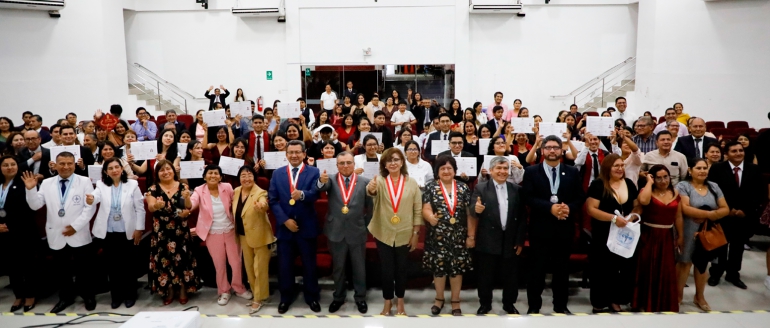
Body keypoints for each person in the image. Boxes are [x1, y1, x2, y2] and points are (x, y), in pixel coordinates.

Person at [23, 152, 97, 313]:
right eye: (62, 163)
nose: (66, 166)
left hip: (79, 233)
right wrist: (30, 190)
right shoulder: (47, 183)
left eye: (69, 163)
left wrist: (75, 227)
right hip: (56, 233)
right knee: (62, 270)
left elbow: (89, 207)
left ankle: (88, 296)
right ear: (55, 165)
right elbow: (36, 205)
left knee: (84, 269)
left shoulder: (84, 181)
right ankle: (66, 298)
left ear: (74, 164)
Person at [523, 135, 585, 314]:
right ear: (542, 151)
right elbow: (527, 197)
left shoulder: (572, 171)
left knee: (561, 271)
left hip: (563, 229)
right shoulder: (532, 171)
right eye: (548, 147)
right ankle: (534, 307)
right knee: (537, 271)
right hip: (540, 229)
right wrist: (550, 208)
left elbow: (580, 197)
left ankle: (561, 306)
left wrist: (568, 208)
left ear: (561, 150)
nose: (552, 151)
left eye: (555, 147)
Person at [366, 147, 422, 316]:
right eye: (389, 160)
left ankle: (401, 302)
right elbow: (372, 192)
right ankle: (387, 302)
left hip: (405, 233)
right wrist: (371, 187)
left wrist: (415, 234)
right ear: (384, 164)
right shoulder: (380, 181)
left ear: (402, 162)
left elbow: (417, 210)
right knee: (387, 270)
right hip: (384, 232)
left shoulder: (411, 182)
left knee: (401, 270)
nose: (393, 163)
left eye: (396, 159)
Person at [84, 158, 145, 309]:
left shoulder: (133, 185)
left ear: (122, 169)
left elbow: (140, 209)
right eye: (110, 168)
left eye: (117, 167)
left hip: (128, 231)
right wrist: (91, 200)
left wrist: (139, 228)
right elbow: (95, 197)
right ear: (105, 171)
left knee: (128, 265)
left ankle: (130, 295)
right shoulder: (101, 185)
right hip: (109, 231)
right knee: (112, 266)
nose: (114, 170)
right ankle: (116, 297)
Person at [268, 140, 322, 313]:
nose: (294, 155)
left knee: (309, 265)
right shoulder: (277, 174)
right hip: (285, 228)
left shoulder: (314, 171)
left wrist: (303, 195)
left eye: (298, 152)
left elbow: (315, 194)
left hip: (307, 226)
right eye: (290, 152)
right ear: (286, 154)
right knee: (284, 266)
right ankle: (286, 297)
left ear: (304, 153)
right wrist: (285, 220)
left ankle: (312, 296)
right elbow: (273, 200)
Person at [707, 141, 767, 289]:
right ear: (726, 154)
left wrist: (745, 210)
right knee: (720, 246)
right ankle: (716, 273)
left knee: (737, 247)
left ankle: (733, 274)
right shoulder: (717, 168)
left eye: (740, 150)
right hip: (723, 214)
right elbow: (713, 190)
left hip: (744, 216)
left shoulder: (754, 169)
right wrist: (729, 209)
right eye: (734, 151)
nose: (738, 153)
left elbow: (759, 193)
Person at [316, 151, 372, 314]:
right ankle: (338, 297)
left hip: (357, 230)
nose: (345, 166)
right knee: (338, 267)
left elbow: (371, 207)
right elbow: (320, 187)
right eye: (342, 163)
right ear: (337, 165)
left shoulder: (364, 182)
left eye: (349, 163)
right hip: (336, 230)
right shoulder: (331, 180)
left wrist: (366, 225)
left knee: (359, 267)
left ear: (354, 165)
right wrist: (321, 181)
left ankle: (360, 297)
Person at [188, 165, 252, 305]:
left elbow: (237, 203)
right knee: (219, 264)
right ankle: (224, 290)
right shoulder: (199, 190)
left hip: (230, 230)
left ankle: (239, 288)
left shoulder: (227, 187)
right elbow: (192, 204)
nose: (213, 176)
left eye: (216, 173)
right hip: (212, 232)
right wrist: (186, 200)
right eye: (210, 173)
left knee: (236, 262)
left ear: (221, 176)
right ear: (204, 176)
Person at [470, 156, 526, 314]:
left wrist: (520, 240)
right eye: (499, 168)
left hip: (510, 240)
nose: (502, 172)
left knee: (511, 276)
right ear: (491, 170)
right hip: (487, 239)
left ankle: (509, 304)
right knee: (485, 276)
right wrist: (476, 209)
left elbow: (522, 217)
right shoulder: (481, 188)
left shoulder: (516, 190)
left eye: (505, 169)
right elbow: (472, 208)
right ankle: (485, 304)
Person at [421, 155, 473, 315]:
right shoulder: (431, 187)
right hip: (437, 236)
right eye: (442, 168)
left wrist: (471, 236)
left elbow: (470, 214)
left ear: (455, 170)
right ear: (437, 171)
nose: (446, 171)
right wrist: (430, 217)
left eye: (449, 168)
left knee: (456, 269)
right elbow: (426, 207)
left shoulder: (463, 188)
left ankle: (456, 301)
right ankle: (439, 299)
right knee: (439, 269)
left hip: (459, 236)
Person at [675, 158, 730, 311]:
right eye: (698, 168)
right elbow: (685, 208)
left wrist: (707, 216)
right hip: (688, 229)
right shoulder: (683, 186)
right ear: (690, 170)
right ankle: (677, 296)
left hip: (708, 231)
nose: (702, 171)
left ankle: (699, 296)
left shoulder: (714, 186)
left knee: (702, 265)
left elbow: (725, 208)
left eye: (704, 168)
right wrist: (712, 213)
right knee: (684, 263)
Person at [145, 159, 200, 305]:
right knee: (164, 259)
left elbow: (188, 207)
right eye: (162, 170)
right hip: (161, 230)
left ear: (173, 171)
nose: (166, 172)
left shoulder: (183, 186)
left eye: (168, 169)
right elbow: (150, 207)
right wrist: (157, 205)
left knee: (182, 259)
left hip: (180, 229)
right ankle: (168, 289)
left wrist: (187, 198)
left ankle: (182, 288)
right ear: (157, 174)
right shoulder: (153, 189)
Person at [633, 165, 682, 312]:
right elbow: (644, 201)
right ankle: (644, 303)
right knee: (648, 270)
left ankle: (664, 302)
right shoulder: (647, 191)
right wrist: (649, 182)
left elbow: (678, 216)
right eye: (658, 177)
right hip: (649, 235)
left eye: (665, 177)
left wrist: (680, 236)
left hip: (667, 236)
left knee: (666, 270)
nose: (663, 181)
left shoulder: (676, 192)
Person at [231, 166, 274, 314]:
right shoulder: (236, 191)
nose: (246, 178)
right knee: (249, 268)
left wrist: (261, 206)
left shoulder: (260, 192)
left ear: (254, 177)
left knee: (259, 269)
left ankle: (259, 298)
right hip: (243, 235)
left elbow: (264, 204)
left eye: (249, 175)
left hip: (260, 236)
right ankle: (258, 294)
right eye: (243, 175)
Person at [0, 155, 39, 312]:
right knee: (12, 265)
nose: (10, 167)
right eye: (5, 165)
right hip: (3, 233)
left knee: (28, 264)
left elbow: (30, 209)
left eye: (13, 164)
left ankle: (30, 295)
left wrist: (31, 188)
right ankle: (18, 295)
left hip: (23, 231)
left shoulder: (25, 182)